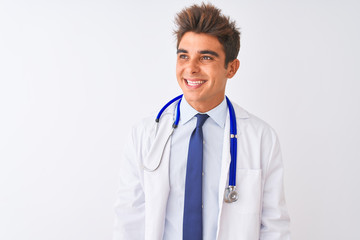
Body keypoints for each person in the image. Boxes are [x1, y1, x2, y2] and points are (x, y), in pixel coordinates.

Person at [113, 3, 290, 240]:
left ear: (232, 68)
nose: (191, 68)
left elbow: (275, 228)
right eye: (184, 56)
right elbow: (128, 222)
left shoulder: (261, 138)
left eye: (205, 57)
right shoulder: (144, 135)